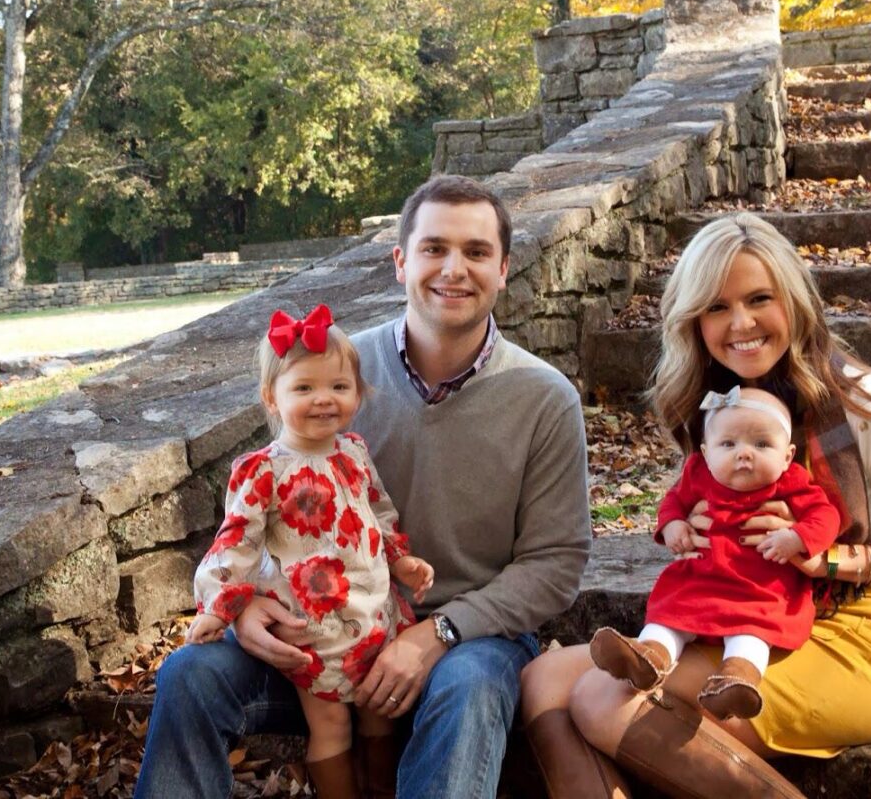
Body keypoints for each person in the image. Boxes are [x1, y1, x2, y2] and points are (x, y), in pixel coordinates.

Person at [135, 175, 592, 799]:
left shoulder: (544, 399)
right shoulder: (333, 372)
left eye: (476, 252)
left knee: (470, 688)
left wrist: (438, 632)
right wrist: (243, 606)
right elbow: (263, 503)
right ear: (401, 261)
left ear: (504, 268)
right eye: (434, 248)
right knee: (190, 674)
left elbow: (555, 564)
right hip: (321, 638)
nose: (453, 268)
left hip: (468, 641)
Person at [518, 211, 871, 799]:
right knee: (544, 679)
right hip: (746, 614)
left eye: (760, 298)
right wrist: (689, 530)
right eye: (717, 306)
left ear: (794, 300)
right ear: (694, 320)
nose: (740, 323)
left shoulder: (859, 400)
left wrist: (827, 558)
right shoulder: (720, 406)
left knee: (603, 697)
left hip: (858, 634)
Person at [187, 303, 436, 796]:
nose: (324, 399)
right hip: (312, 629)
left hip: (372, 613)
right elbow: (236, 540)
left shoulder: (354, 452)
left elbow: (378, 509)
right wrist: (218, 605)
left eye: (339, 386)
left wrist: (400, 558)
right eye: (304, 388)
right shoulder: (264, 470)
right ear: (272, 398)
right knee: (331, 725)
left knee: (379, 715)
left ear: (357, 394)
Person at [589, 386, 840, 723]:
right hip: (701, 581)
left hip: (760, 590)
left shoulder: (792, 482)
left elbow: (826, 516)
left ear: (787, 456)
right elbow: (673, 501)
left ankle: (735, 680)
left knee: (753, 633)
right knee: (671, 613)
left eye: (761, 444)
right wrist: (673, 524)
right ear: (706, 453)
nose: (744, 454)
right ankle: (648, 658)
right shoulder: (698, 473)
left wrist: (797, 537)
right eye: (729, 444)